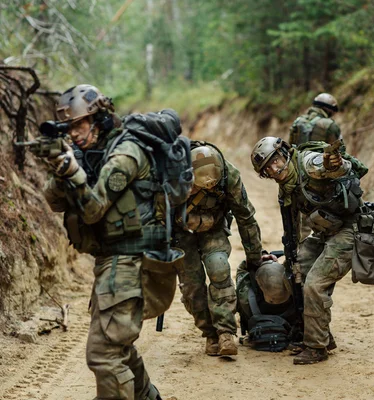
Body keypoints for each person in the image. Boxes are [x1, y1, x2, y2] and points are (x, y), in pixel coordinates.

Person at [43, 85, 183, 400]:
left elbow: (93, 211)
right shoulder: (92, 154)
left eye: (80, 125)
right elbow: (54, 201)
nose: (75, 134)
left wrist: (74, 173)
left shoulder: (126, 153)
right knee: (117, 346)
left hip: (133, 261)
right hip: (113, 263)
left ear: (101, 118)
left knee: (104, 353)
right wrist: (62, 169)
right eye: (70, 128)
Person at [250, 136, 365, 365]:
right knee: (294, 273)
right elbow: (293, 227)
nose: (274, 169)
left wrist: (333, 163)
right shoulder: (287, 188)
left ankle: (316, 347)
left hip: (350, 229)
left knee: (314, 283)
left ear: (284, 153)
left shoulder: (307, 163)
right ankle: (320, 335)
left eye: (276, 161)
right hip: (325, 232)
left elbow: (334, 168)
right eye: (267, 169)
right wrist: (290, 256)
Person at [173, 142, 265, 357]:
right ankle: (210, 334)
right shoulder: (173, 175)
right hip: (179, 232)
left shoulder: (228, 176)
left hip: (213, 226)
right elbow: (156, 213)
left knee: (219, 267)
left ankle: (225, 332)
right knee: (192, 286)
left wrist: (254, 257)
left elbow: (246, 217)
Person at [289, 93, 342, 240]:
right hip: (319, 177)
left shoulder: (297, 122)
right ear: (329, 110)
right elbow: (338, 155)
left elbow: (290, 150)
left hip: (296, 174)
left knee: (296, 219)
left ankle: (297, 252)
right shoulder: (330, 126)